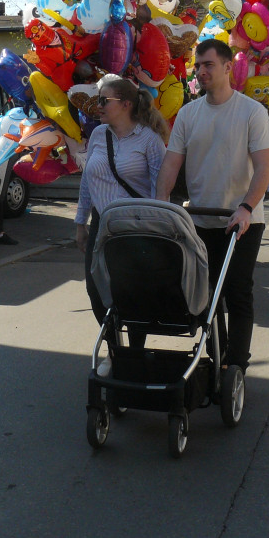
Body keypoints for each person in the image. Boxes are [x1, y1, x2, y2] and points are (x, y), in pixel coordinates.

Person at [155, 39, 269, 373]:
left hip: (242, 221)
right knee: (203, 295)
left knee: (237, 291)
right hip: (200, 220)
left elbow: (263, 168)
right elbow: (171, 164)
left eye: (208, 64)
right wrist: (161, 205)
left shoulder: (251, 112)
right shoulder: (189, 115)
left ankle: (237, 365)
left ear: (227, 67)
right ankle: (214, 355)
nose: (201, 71)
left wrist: (247, 207)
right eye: (198, 65)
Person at [75, 77, 169, 353]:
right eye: (98, 100)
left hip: (135, 229)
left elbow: (158, 190)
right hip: (101, 225)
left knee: (132, 294)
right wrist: (80, 222)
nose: (98, 105)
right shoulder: (98, 135)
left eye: (105, 100)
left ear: (126, 104)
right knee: (96, 291)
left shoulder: (150, 141)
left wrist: (153, 231)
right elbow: (87, 181)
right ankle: (115, 349)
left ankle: (135, 353)